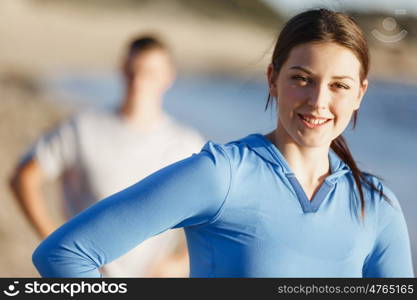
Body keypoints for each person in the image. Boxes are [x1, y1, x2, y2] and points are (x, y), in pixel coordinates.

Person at [32, 9, 414, 278]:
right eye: (301, 78)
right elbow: (65, 255)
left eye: (339, 86)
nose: (317, 101)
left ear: (360, 93)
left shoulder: (377, 206)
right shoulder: (222, 175)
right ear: (272, 79)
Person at [10, 35, 205, 277]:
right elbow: (23, 178)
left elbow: (210, 212)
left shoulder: (187, 143)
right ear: (122, 69)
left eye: (149, 73)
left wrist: (179, 261)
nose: (139, 80)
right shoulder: (83, 126)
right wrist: (53, 242)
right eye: (132, 71)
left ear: (168, 77)